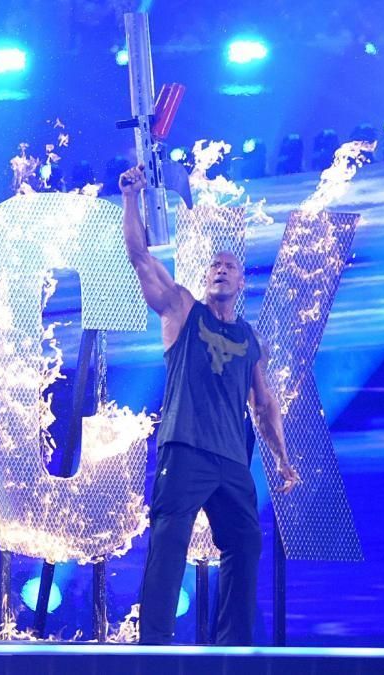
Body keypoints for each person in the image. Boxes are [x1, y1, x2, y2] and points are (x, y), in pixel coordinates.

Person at [119, 165, 300, 645]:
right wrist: (131, 198)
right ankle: (153, 645)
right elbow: (138, 256)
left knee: (245, 542)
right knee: (169, 543)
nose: (221, 270)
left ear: (241, 283)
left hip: (231, 462)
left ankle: (233, 646)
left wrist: (281, 461)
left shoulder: (249, 337)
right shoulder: (182, 309)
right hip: (185, 450)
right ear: (206, 279)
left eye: (230, 267)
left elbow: (265, 406)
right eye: (214, 267)